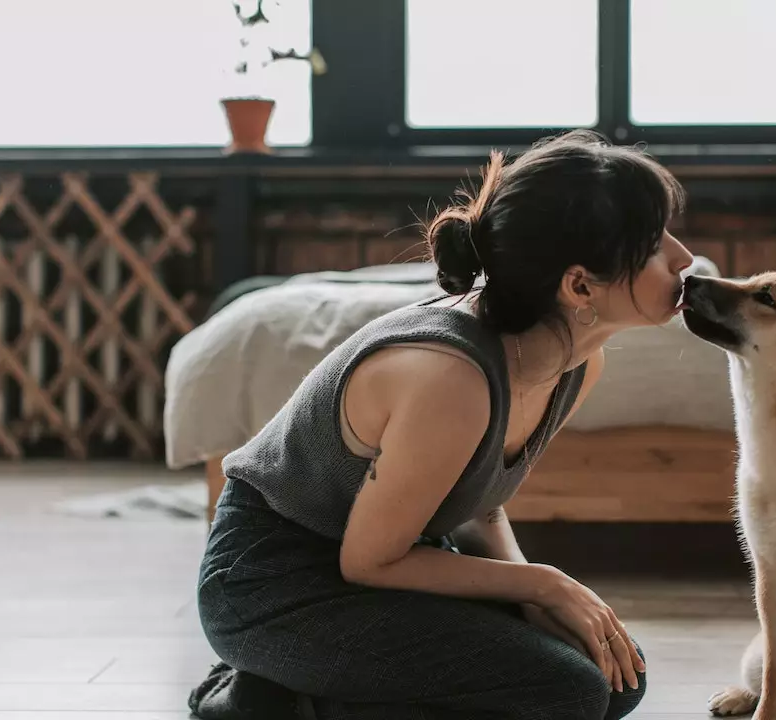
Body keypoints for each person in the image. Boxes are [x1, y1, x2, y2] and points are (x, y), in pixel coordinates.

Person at [190, 129, 696, 720]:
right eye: (655, 243)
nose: (683, 256)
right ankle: (263, 698)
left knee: (615, 680)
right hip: (273, 586)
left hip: (385, 565)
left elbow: (480, 502)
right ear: (579, 285)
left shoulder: (576, 362)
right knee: (568, 691)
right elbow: (369, 562)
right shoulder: (448, 380)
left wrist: (535, 598)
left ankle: (301, 690)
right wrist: (544, 585)